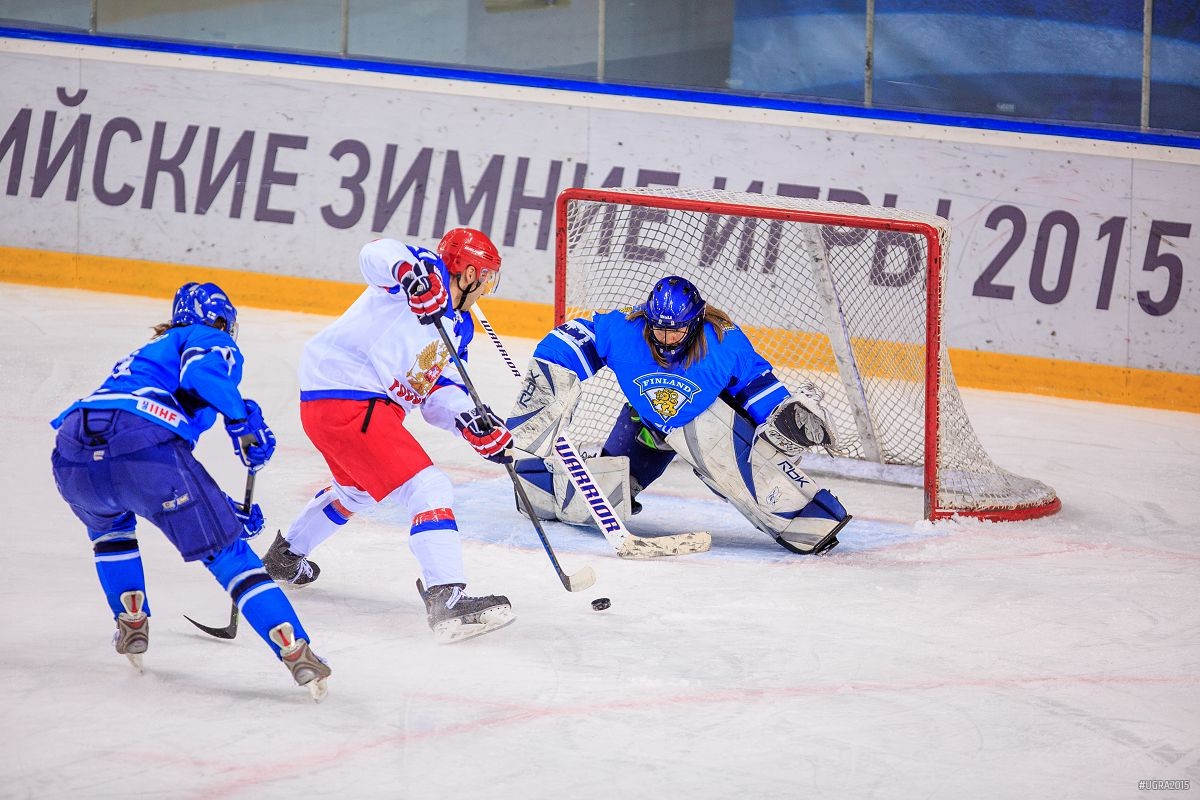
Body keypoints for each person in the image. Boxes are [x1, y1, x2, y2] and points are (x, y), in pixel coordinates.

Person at [50, 282, 331, 700]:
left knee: (110, 532)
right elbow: (197, 379)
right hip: (144, 450)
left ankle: (131, 620)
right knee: (230, 556)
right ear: (220, 320)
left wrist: (219, 509)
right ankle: (295, 649)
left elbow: (141, 465)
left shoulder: (146, 354)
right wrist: (240, 422)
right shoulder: (205, 336)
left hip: (73, 454)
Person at [262, 229, 516, 644]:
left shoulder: (460, 328)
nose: (487, 288)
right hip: (351, 397)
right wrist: (409, 274)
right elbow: (376, 252)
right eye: (486, 277)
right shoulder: (425, 271)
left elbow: (439, 389)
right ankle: (446, 598)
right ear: (469, 273)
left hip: (340, 406)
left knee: (356, 491)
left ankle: (285, 557)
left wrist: (471, 422)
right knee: (428, 489)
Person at [507, 275, 851, 555]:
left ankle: (802, 514)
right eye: (659, 328)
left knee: (749, 479)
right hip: (648, 423)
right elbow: (572, 339)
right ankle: (538, 485)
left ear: (695, 323)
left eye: (676, 330)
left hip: (708, 423)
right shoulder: (624, 330)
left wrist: (779, 413)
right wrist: (551, 374)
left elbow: (756, 385)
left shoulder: (725, 343)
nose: (667, 338)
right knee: (597, 498)